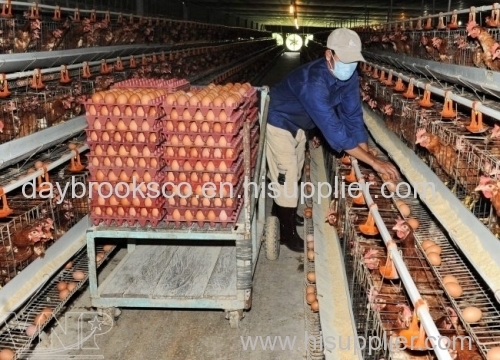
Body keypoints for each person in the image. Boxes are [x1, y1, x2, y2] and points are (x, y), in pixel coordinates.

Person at [266, 28, 399, 253]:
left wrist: (365, 157)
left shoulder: (349, 76)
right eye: (345, 60)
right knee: (286, 173)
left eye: (353, 61)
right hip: (279, 120)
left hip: (300, 124)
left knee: (294, 171)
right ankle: (286, 235)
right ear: (329, 55)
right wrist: (374, 163)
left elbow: (352, 116)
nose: (349, 66)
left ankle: (283, 215)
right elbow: (334, 131)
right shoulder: (314, 82)